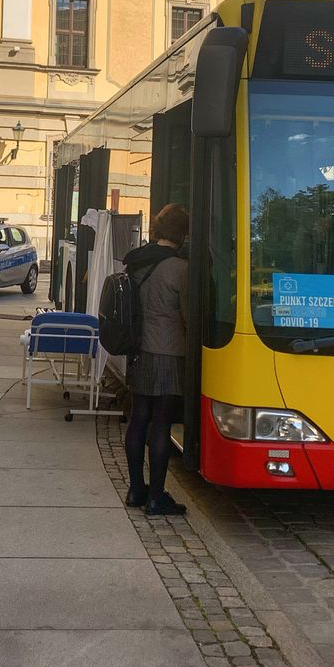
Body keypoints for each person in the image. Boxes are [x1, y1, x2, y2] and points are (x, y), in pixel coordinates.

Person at [123, 203, 190, 517]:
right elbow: (188, 315)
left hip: (138, 350)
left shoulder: (137, 262)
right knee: (161, 424)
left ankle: (137, 489)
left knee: (139, 418)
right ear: (182, 234)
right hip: (167, 351)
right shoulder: (180, 268)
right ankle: (157, 497)